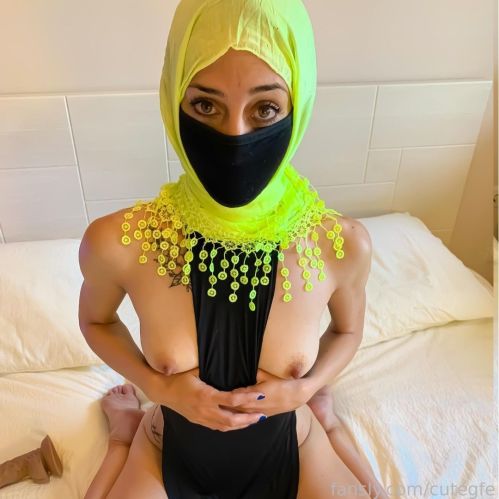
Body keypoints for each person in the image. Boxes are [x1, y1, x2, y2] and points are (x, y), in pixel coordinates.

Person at [79, 1, 388, 498]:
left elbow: (348, 331)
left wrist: (306, 388)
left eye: (265, 109)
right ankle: (125, 430)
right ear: (174, 98)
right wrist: (157, 388)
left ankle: (324, 417)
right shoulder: (119, 243)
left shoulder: (340, 246)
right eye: (206, 105)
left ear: (299, 104)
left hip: (290, 445)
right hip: (168, 449)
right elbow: (96, 321)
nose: (235, 135)